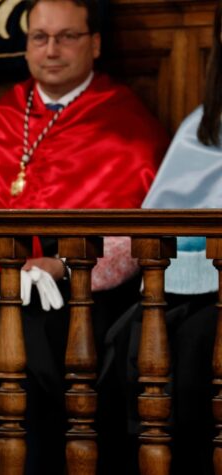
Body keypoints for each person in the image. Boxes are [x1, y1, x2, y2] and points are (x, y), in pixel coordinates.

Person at [0, 0, 169, 472]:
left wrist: (64, 267)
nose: (51, 50)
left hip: (76, 291)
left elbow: (138, 240)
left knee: (38, 349)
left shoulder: (127, 126)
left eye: (67, 36)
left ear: (94, 44)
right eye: (40, 37)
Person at [102, 2, 222, 472]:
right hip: (190, 284)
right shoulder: (205, 124)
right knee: (126, 346)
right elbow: (158, 223)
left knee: (196, 351)